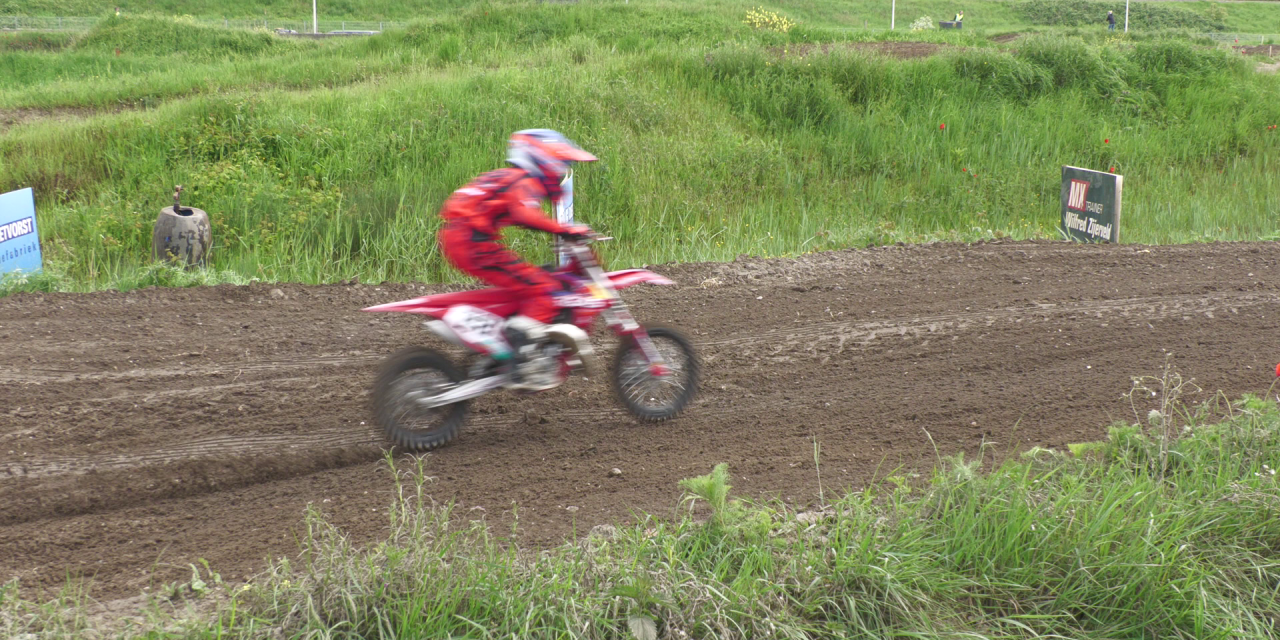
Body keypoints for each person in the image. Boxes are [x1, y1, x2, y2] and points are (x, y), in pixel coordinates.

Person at [438, 129, 597, 388]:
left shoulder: (506, 177)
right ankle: (520, 357)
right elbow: (525, 215)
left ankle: (507, 336)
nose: (562, 171)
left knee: (533, 280)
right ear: (542, 159)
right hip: (471, 242)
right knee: (544, 289)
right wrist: (565, 229)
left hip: (461, 237)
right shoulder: (522, 180)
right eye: (561, 163)